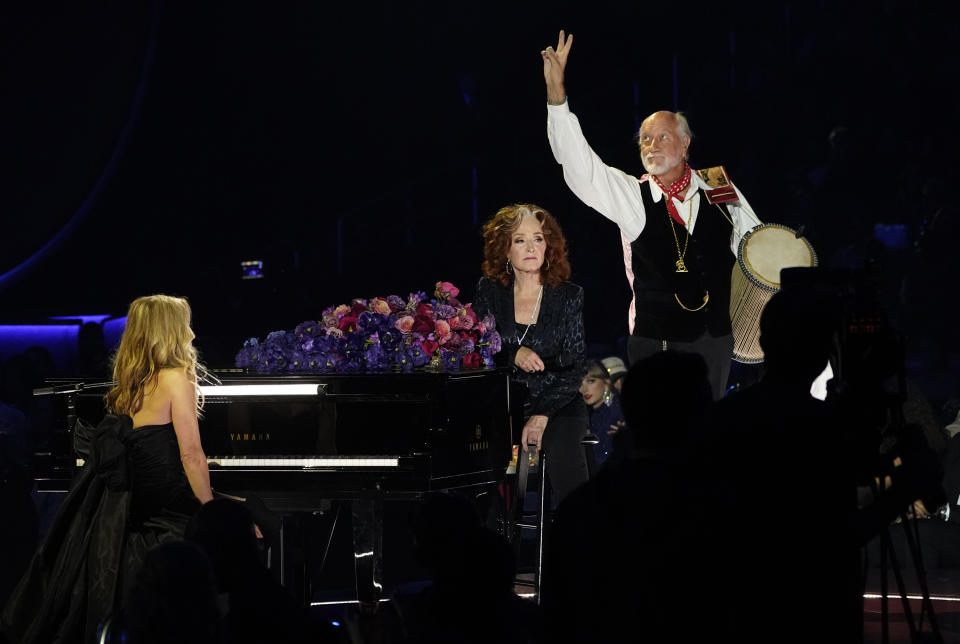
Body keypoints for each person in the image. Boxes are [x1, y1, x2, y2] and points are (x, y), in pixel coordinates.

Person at [541, 30, 762, 399]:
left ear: (686, 143)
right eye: (645, 138)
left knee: (705, 439)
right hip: (656, 341)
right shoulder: (633, 194)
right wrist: (557, 98)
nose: (651, 145)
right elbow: (580, 167)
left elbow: (756, 249)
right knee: (662, 440)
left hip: (715, 339)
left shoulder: (718, 186)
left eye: (662, 136)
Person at [2, 294, 214, 644]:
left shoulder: (127, 385)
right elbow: (191, 455)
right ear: (170, 330)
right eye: (185, 325)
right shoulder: (177, 378)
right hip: (163, 505)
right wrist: (211, 511)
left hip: (131, 502)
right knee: (248, 516)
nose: (191, 334)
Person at [473, 203, 588, 503]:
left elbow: (575, 366)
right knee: (476, 469)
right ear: (504, 248)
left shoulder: (568, 295)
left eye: (538, 238)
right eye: (520, 239)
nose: (531, 247)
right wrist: (514, 354)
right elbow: (478, 348)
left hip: (557, 401)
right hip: (504, 402)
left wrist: (541, 414)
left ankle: (578, 538)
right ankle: (488, 541)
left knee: (566, 465)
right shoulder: (489, 290)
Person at [579, 359, 624, 467]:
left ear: (606, 383)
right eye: (580, 383)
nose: (583, 389)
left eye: (591, 381)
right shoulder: (591, 415)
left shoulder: (618, 412)